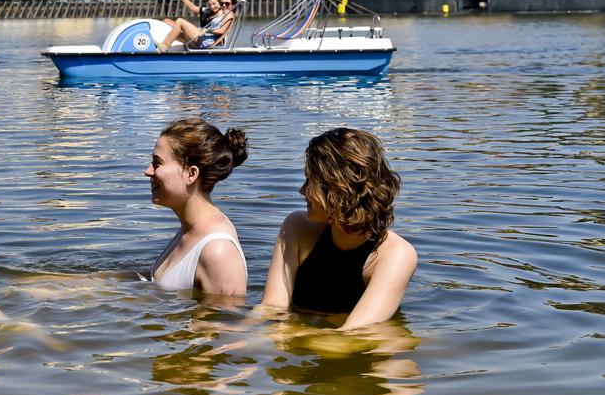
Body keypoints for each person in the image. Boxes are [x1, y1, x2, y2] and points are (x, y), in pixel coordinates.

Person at [260, 128, 417, 330]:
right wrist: (232, 336)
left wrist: (289, 335)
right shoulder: (296, 227)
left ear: (336, 189)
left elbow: (351, 336)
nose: (301, 190)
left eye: (309, 181)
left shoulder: (396, 255)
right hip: (307, 341)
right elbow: (271, 308)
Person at [145, 117, 249, 296]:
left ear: (191, 173)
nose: (147, 171)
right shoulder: (189, 230)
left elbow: (223, 321)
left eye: (157, 163)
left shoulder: (217, 251)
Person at [158, 0, 236, 51]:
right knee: (173, 32)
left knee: (180, 21)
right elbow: (193, 7)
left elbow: (222, 31)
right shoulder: (216, 13)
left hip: (207, 41)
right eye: (222, 3)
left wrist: (207, 30)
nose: (224, 5)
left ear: (232, 5)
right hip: (204, 38)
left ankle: (165, 46)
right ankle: (160, 45)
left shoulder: (229, 15)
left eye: (227, 4)